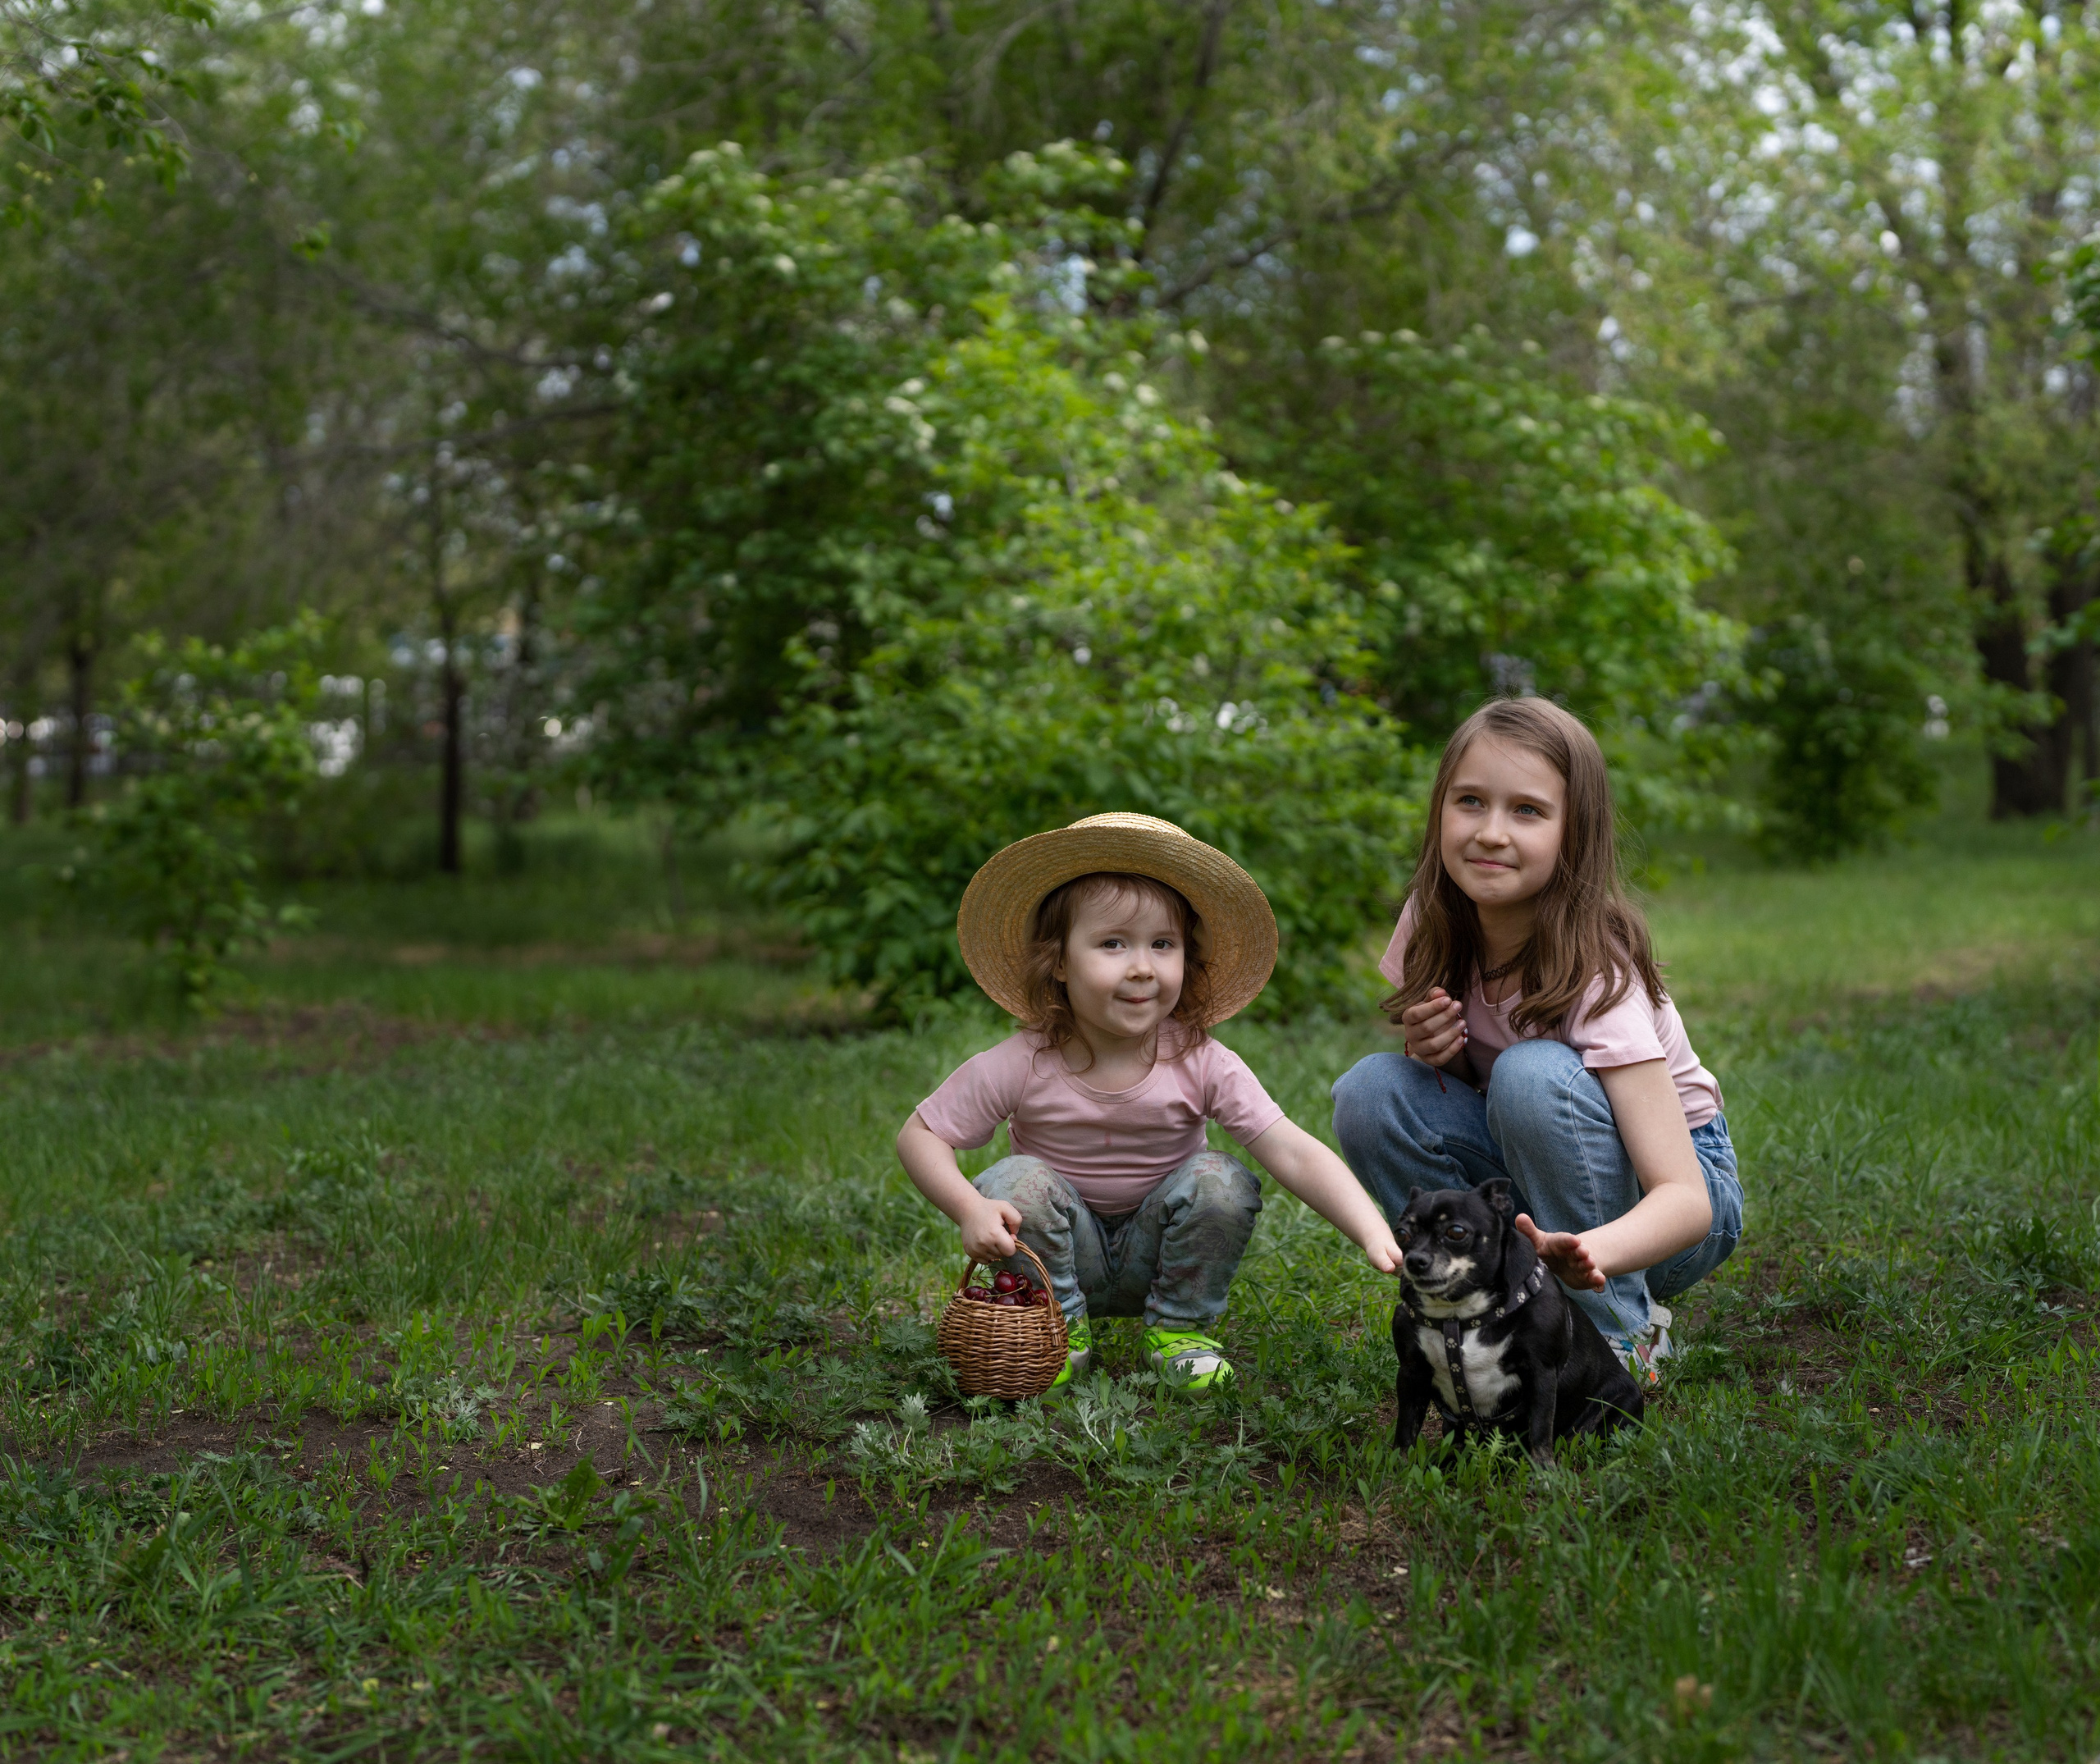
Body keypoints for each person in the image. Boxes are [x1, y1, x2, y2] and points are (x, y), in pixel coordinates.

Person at [898, 812, 1403, 1392]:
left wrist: (1370, 1227)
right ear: (1060, 962)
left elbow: (1289, 1148)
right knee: (1016, 1180)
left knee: (1222, 1179)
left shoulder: (1201, 1060)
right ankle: (1058, 1330)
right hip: (1055, 1254)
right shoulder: (1025, 1060)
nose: (1142, 967)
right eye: (1112, 943)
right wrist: (969, 1207)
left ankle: (1180, 1331)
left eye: (1163, 944)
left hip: (1164, 1251)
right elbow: (920, 1135)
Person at [1331, 697, 1742, 1382]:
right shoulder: (1431, 922)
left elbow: (1687, 1199)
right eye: (1470, 801)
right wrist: (1442, 1055)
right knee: (1371, 1091)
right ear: (1439, 812)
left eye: (1527, 811)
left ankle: (1621, 1338)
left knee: (1533, 1073)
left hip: (1661, 1209)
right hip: (1540, 1181)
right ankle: (1482, 1308)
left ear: (1573, 835)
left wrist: (1589, 1250)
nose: (1491, 832)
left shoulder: (1594, 966)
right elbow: (1474, 1103)